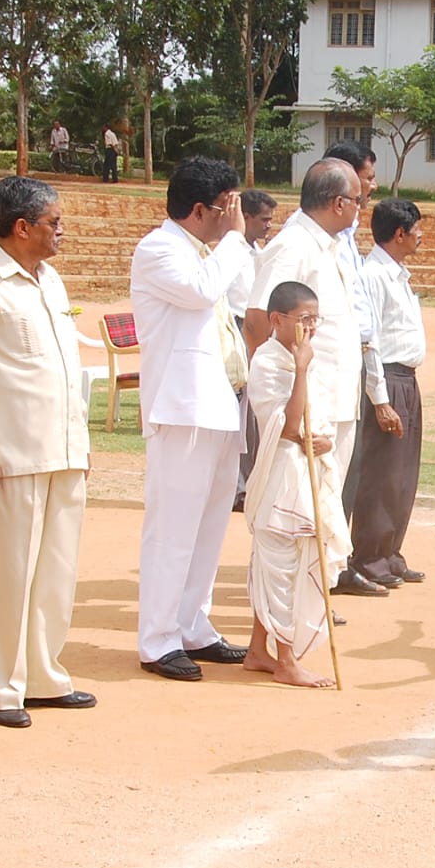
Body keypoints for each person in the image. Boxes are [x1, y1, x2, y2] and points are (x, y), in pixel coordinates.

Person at [0, 176, 95, 728]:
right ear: (22, 227)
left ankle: (44, 676)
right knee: (8, 574)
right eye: (54, 222)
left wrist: (79, 440)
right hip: (13, 453)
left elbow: (64, 368)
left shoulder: (51, 281)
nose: (62, 231)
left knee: (56, 572)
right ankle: (0, 689)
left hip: (63, 448)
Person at [129, 156, 251, 681]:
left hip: (220, 403)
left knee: (208, 527)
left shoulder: (208, 253)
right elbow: (201, 291)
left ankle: (192, 625)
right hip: (182, 408)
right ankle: (158, 639)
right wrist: (236, 239)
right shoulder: (159, 249)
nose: (234, 216)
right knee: (172, 529)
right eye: (227, 207)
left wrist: (234, 243)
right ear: (201, 209)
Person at [247, 159, 372, 592]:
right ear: (338, 203)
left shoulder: (330, 247)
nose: (361, 207)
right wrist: (285, 407)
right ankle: (290, 605)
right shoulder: (293, 245)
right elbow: (258, 321)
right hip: (303, 410)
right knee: (297, 513)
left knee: (326, 509)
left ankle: (313, 599)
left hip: (334, 402)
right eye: (358, 200)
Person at [243, 281, 347, 688]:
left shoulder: (307, 358)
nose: (312, 327)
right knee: (281, 568)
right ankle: (286, 660)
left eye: (316, 319)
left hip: (310, 473)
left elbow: (317, 420)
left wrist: (326, 442)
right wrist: (300, 369)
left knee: (287, 564)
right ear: (277, 319)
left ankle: (258, 650)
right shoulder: (269, 362)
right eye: (305, 319)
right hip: (282, 479)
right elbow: (286, 426)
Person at [349, 198, 428, 588]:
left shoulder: (397, 275)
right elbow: (370, 341)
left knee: (403, 473)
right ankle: (370, 555)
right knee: (382, 473)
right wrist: (380, 399)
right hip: (387, 379)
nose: (420, 236)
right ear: (399, 233)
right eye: (416, 230)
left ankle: (391, 551)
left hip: (407, 379)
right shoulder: (373, 275)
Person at [315, 140, 379, 524]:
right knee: (326, 476)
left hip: (352, 359)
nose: (372, 187)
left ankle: (338, 552)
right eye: (368, 178)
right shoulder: (312, 239)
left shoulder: (346, 235)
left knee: (347, 469)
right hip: (326, 367)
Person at [228, 188, 278, 514]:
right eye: (263, 219)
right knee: (238, 414)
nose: (268, 225)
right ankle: (237, 486)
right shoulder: (230, 254)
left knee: (253, 412)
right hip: (237, 330)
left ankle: (250, 482)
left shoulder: (259, 253)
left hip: (258, 330)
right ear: (244, 217)